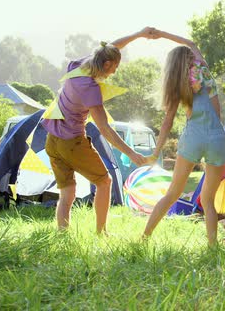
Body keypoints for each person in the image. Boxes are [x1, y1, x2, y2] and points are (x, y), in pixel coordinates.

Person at [42, 27, 155, 234]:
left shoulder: (79, 66)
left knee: (67, 194)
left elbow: (111, 48)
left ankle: (62, 234)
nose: (115, 72)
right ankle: (101, 233)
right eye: (115, 67)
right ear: (106, 64)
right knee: (105, 182)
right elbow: (105, 129)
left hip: (52, 140)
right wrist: (131, 153)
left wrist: (138, 35)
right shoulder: (90, 88)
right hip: (72, 143)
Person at [143, 29, 225, 247]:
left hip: (193, 137)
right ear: (191, 59)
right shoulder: (205, 72)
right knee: (208, 200)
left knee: (172, 193)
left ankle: (144, 238)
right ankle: (212, 247)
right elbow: (190, 42)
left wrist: (155, 152)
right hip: (217, 138)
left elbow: (167, 123)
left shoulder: (177, 84)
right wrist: (162, 34)